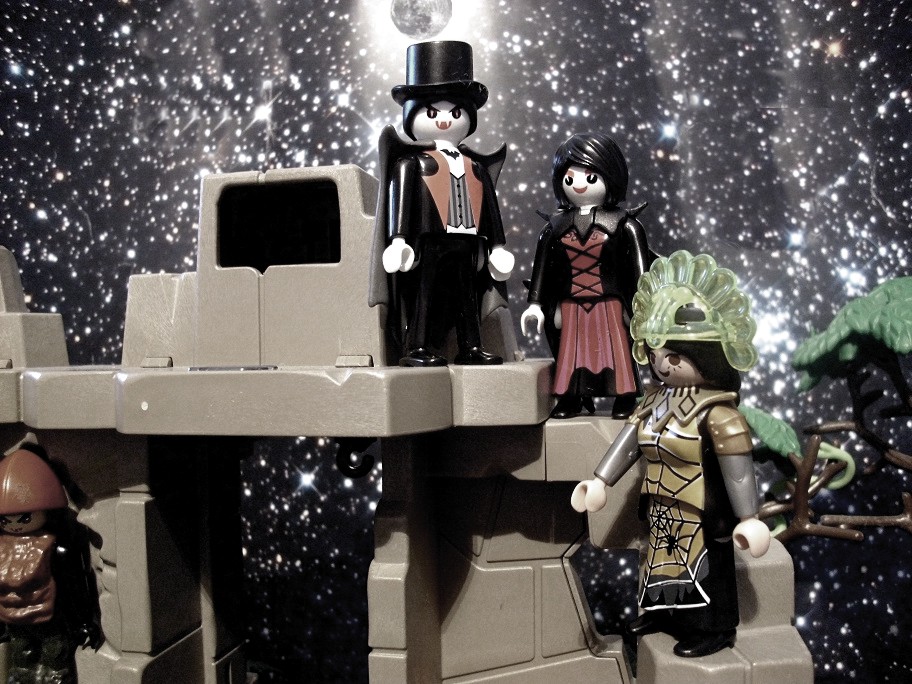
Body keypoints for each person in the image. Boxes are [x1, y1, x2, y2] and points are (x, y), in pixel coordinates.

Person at [571, 250, 770, 658]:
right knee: (658, 563)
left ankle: (713, 629)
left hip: (700, 508)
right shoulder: (654, 401)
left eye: (673, 356)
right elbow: (629, 442)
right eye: (655, 355)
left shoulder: (719, 413)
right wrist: (600, 480)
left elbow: (737, 471)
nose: (662, 366)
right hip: (660, 504)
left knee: (704, 571)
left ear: (706, 355)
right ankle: (664, 615)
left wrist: (750, 517)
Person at [376, 40, 514, 367]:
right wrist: (398, 240)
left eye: (454, 112)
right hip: (428, 241)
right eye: (431, 112)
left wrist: (497, 246)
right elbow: (402, 201)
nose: (443, 120)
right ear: (412, 115)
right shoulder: (412, 163)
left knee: (467, 294)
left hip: (467, 242)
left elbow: (490, 209)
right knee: (423, 293)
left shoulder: (476, 167)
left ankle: (471, 346)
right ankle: (418, 346)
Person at [521, 133, 650, 418]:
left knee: (616, 351)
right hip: (571, 303)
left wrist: (646, 303)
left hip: (610, 303)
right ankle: (572, 398)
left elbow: (640, 270)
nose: (579, 184)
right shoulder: (554, 227)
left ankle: (625, 396)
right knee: (572, 353)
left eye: (590, 177)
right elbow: (541, 267)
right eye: (570, 178)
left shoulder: (625, 225)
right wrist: (535, 304)